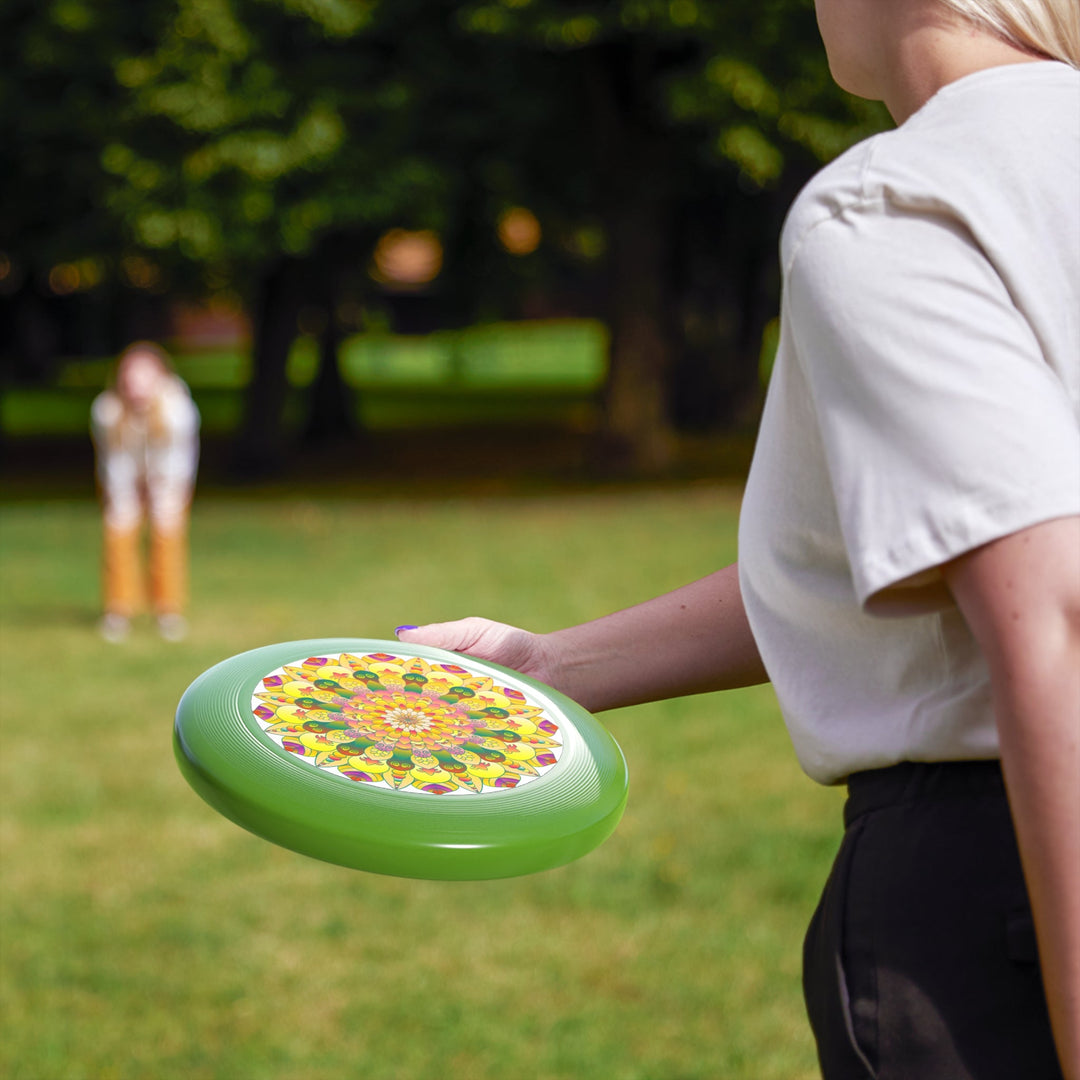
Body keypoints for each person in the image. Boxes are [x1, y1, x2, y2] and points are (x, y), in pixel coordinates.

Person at [395, 2, 1080, 1076]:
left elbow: (1055, 615)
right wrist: (550, 666)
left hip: (1003, 888)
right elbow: (913, 553)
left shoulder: (900, 202)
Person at [91, 341, 200, 642]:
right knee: (118, 531)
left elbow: (177, 460)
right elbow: (114, 460)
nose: (136, 385)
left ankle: (168, 610)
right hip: (123, 478)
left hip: (168, 479)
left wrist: (160, 492)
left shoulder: (178, 410)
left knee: (167, 535)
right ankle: (118, 610)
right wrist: (126, 495)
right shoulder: (107, 410)